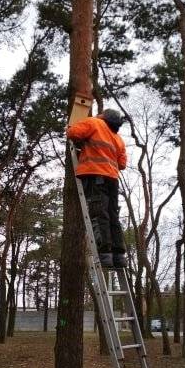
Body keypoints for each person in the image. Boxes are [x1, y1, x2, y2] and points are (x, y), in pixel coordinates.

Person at [67, 108, 128, 268]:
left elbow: (73, 133)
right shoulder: (118, 139)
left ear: (104, 117)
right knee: (112, 215)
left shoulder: (94, 123)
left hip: (95, 176)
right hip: (113, 180)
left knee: (99, 213)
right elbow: (122, 164)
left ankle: (105, 254)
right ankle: (119, 255)